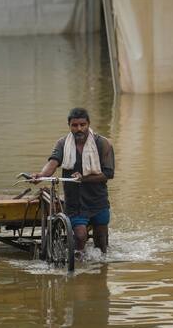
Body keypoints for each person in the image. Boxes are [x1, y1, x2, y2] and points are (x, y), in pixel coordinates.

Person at [32, 107, 115, 258]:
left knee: (102, 242)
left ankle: (101, 274)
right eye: (75, 125)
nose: (79, 129)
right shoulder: (63, 144)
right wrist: (41, 175)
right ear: (69, 126)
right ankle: (78, 264)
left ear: (88, 124)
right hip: (75, 202)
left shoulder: (103, 144)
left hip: (98, 199)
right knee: (80, 236)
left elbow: (108, 173)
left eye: (82, 125)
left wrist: (84, 178)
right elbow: (53, 162)